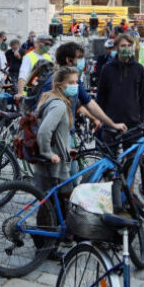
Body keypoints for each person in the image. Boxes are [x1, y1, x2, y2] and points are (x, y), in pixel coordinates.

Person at [39, 42, 127, 133]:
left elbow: (90, 104)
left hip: (68, 134)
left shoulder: (73, 80)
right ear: (69, 60)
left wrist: (112, 124)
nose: (82, 61)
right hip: (57, 139)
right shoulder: (54, 82)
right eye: (79, 58)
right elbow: (42, 116)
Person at [33, 66, 80, 196]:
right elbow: (44, 131)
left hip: (50, 167)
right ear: (60, 85)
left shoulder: (50, 99)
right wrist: (48, 153)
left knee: (49, 208)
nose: (75, 86)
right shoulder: (59, 105)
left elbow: (57, 132)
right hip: (56, 169)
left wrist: (66, 149)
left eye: (76, 82)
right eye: (70, 83)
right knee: (61, 205)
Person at [96, 34, 144, 128]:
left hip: (134, 124)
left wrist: (141, 120)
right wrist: (103, 120)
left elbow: (143, 97)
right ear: (116, 48)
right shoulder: (107, 69)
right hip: (111, 124)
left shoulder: (139, 69)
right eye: (123, 46)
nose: (126, 48)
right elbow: (101, 97)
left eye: (129, 45)